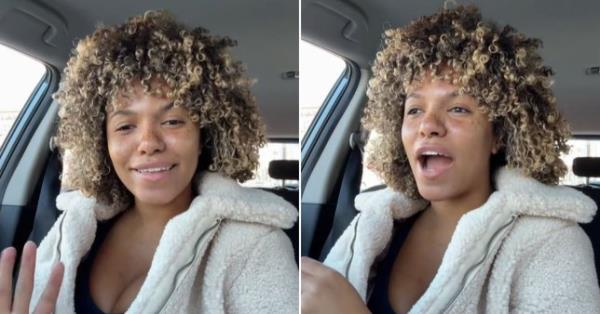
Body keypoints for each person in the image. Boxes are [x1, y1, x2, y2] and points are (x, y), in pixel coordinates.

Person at [301, 4, 600, 313]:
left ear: (498, 134)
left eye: (458, 108)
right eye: (414, 110)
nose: (428, 126)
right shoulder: (372, 225)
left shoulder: (553, 243)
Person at [0, 10, 298, 313]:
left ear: (204, 135)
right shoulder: (74, 226)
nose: (149, 144)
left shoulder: (255, 247)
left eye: (171, 121)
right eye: (125, 126)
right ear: (103, 143)